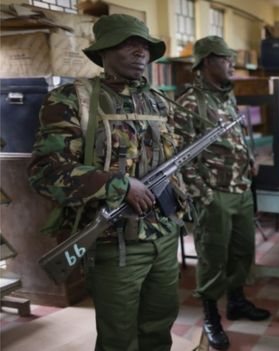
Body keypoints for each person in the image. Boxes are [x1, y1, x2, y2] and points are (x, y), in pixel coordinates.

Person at [28, 14, 187, 351]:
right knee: (118, 340)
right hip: (115, 245)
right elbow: (45, 172)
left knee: (159, 329)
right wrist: (120, 185)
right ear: (103, 51)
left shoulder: (158, 102)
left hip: (163, 236)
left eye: (144, 45)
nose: (140, 51)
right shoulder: (72, 99)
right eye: (129, 43)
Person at [174, 36, 270, 350]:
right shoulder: (190, 102)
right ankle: (211, 316)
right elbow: (182, 158)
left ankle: (237, 301)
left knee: (243, 252)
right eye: (225, 58)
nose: (231, 63)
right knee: (213, 258)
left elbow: (237, 134)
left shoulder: (227, 97)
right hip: (214, 194)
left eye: (231, 57)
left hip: (240, 188)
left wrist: (250, 158)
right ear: (205, 63)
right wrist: (205, 197)